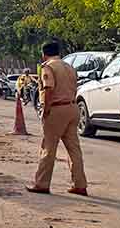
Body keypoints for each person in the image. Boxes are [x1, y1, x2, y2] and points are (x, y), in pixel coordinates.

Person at [26, 40, 88, 196]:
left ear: (44, 54)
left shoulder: (48, 67)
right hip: (72, 107)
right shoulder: (69, 67)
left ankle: (42, 183)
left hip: (56, 109)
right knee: (74, 149)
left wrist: (46, 110)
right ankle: (80, 184)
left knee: (48, 147)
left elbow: (48, 89)